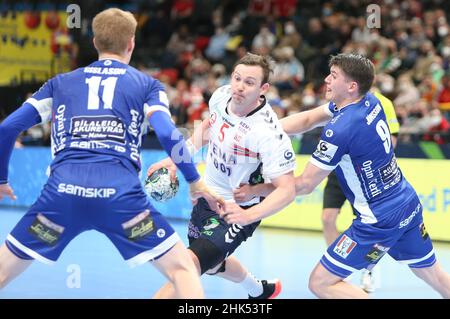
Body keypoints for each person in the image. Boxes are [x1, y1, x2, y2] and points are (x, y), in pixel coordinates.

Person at [0, 8, 224, 298]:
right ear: (131, 43)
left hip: (61, 196)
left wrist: (1, 179)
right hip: (122, 199)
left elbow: (6, 128)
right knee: (183, 270)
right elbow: (169, 134)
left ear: (95, 42)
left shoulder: (60, 84)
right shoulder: (147, 86)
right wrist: (195, 181)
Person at [229, 53, 450, 298]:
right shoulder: (370, 101)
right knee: (432, 272)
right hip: (406, 203)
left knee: (320, 283)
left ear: (351, 86)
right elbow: (310, 119)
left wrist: (255, 190)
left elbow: (303, 185)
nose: (326, 80)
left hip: (376, 220)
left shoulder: (340, 130)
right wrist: (258, 131)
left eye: (334, 76)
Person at [148, 53, 297, 299]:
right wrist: (175, 159)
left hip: (235, 211)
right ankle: (259, 291)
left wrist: (247, 211)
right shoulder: (220, 96)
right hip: (206, 197)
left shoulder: (268, 133)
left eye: (249, 83)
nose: (239, 86)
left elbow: (287, 189)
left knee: (186, 266)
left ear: (264, 89)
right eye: (237, 78)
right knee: (214, 264)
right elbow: (208, 129)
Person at [321, 88, 400, 293]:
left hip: (366, 176)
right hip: (339, 171)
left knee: (368, 226)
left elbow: (392, 141)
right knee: (328, 218)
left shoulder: (381, 102)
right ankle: (337, 270)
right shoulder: (338, 102)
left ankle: (370, 268)